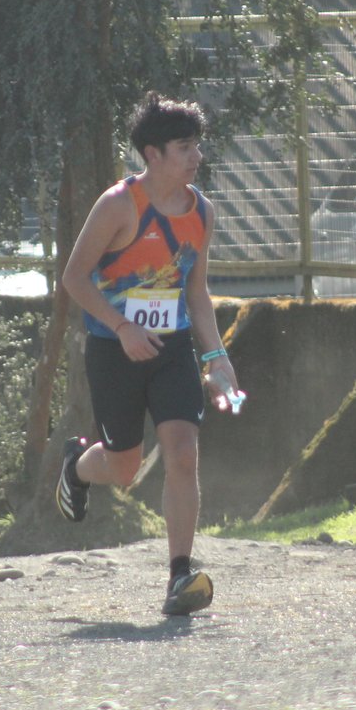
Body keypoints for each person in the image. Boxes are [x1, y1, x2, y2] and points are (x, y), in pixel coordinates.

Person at [56, 92, 239, 616]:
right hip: (116, 351)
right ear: (152, 154)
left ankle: (180, 574)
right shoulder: (118, 205)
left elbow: (197, 295)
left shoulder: (201, 212)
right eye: (185, 147)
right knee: (124, 470)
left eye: (197, 146)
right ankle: (77, 465)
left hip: (173, 348)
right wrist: (121, 325)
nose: (196, 157)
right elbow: (74, 277)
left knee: (183, 452)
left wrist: (217, 359)